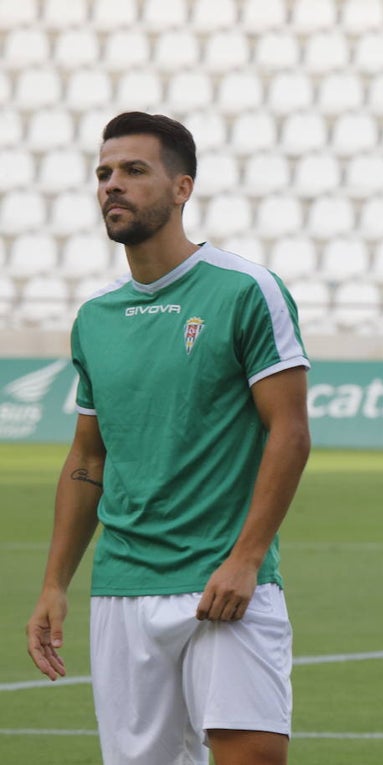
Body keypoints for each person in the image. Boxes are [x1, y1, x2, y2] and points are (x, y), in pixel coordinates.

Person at [25, 112, 311, 765]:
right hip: (122, 586)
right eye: (104, 173)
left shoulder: (246, 290)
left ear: (181, 187)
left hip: (224, 576)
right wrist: (53, 584)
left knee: (253, 755)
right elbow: (88, 458)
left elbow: (289, 431)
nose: (112, 186)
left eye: (133, 170)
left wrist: (246, 557)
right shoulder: (94, 319)